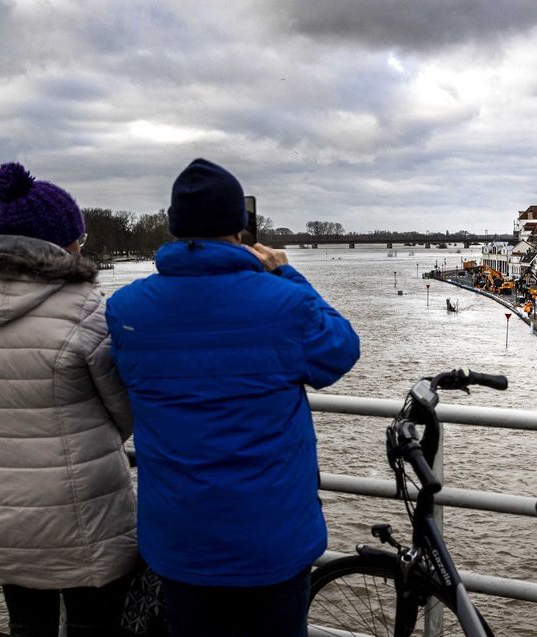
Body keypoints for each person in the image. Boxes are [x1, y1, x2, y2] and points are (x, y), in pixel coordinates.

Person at [105, 158, 360, 637]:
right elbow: (340, 352)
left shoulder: (126, 309)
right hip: (272, 539)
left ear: (174, 226)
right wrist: (286, 274)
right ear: (241, 227)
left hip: (179, 539)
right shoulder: (283, 302)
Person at [0, 162, 137, 636]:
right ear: (61, 244)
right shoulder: (85, 307)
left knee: (27, 625)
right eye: (80, 239)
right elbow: (124, 412)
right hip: (81, 507)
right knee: (94, 625)